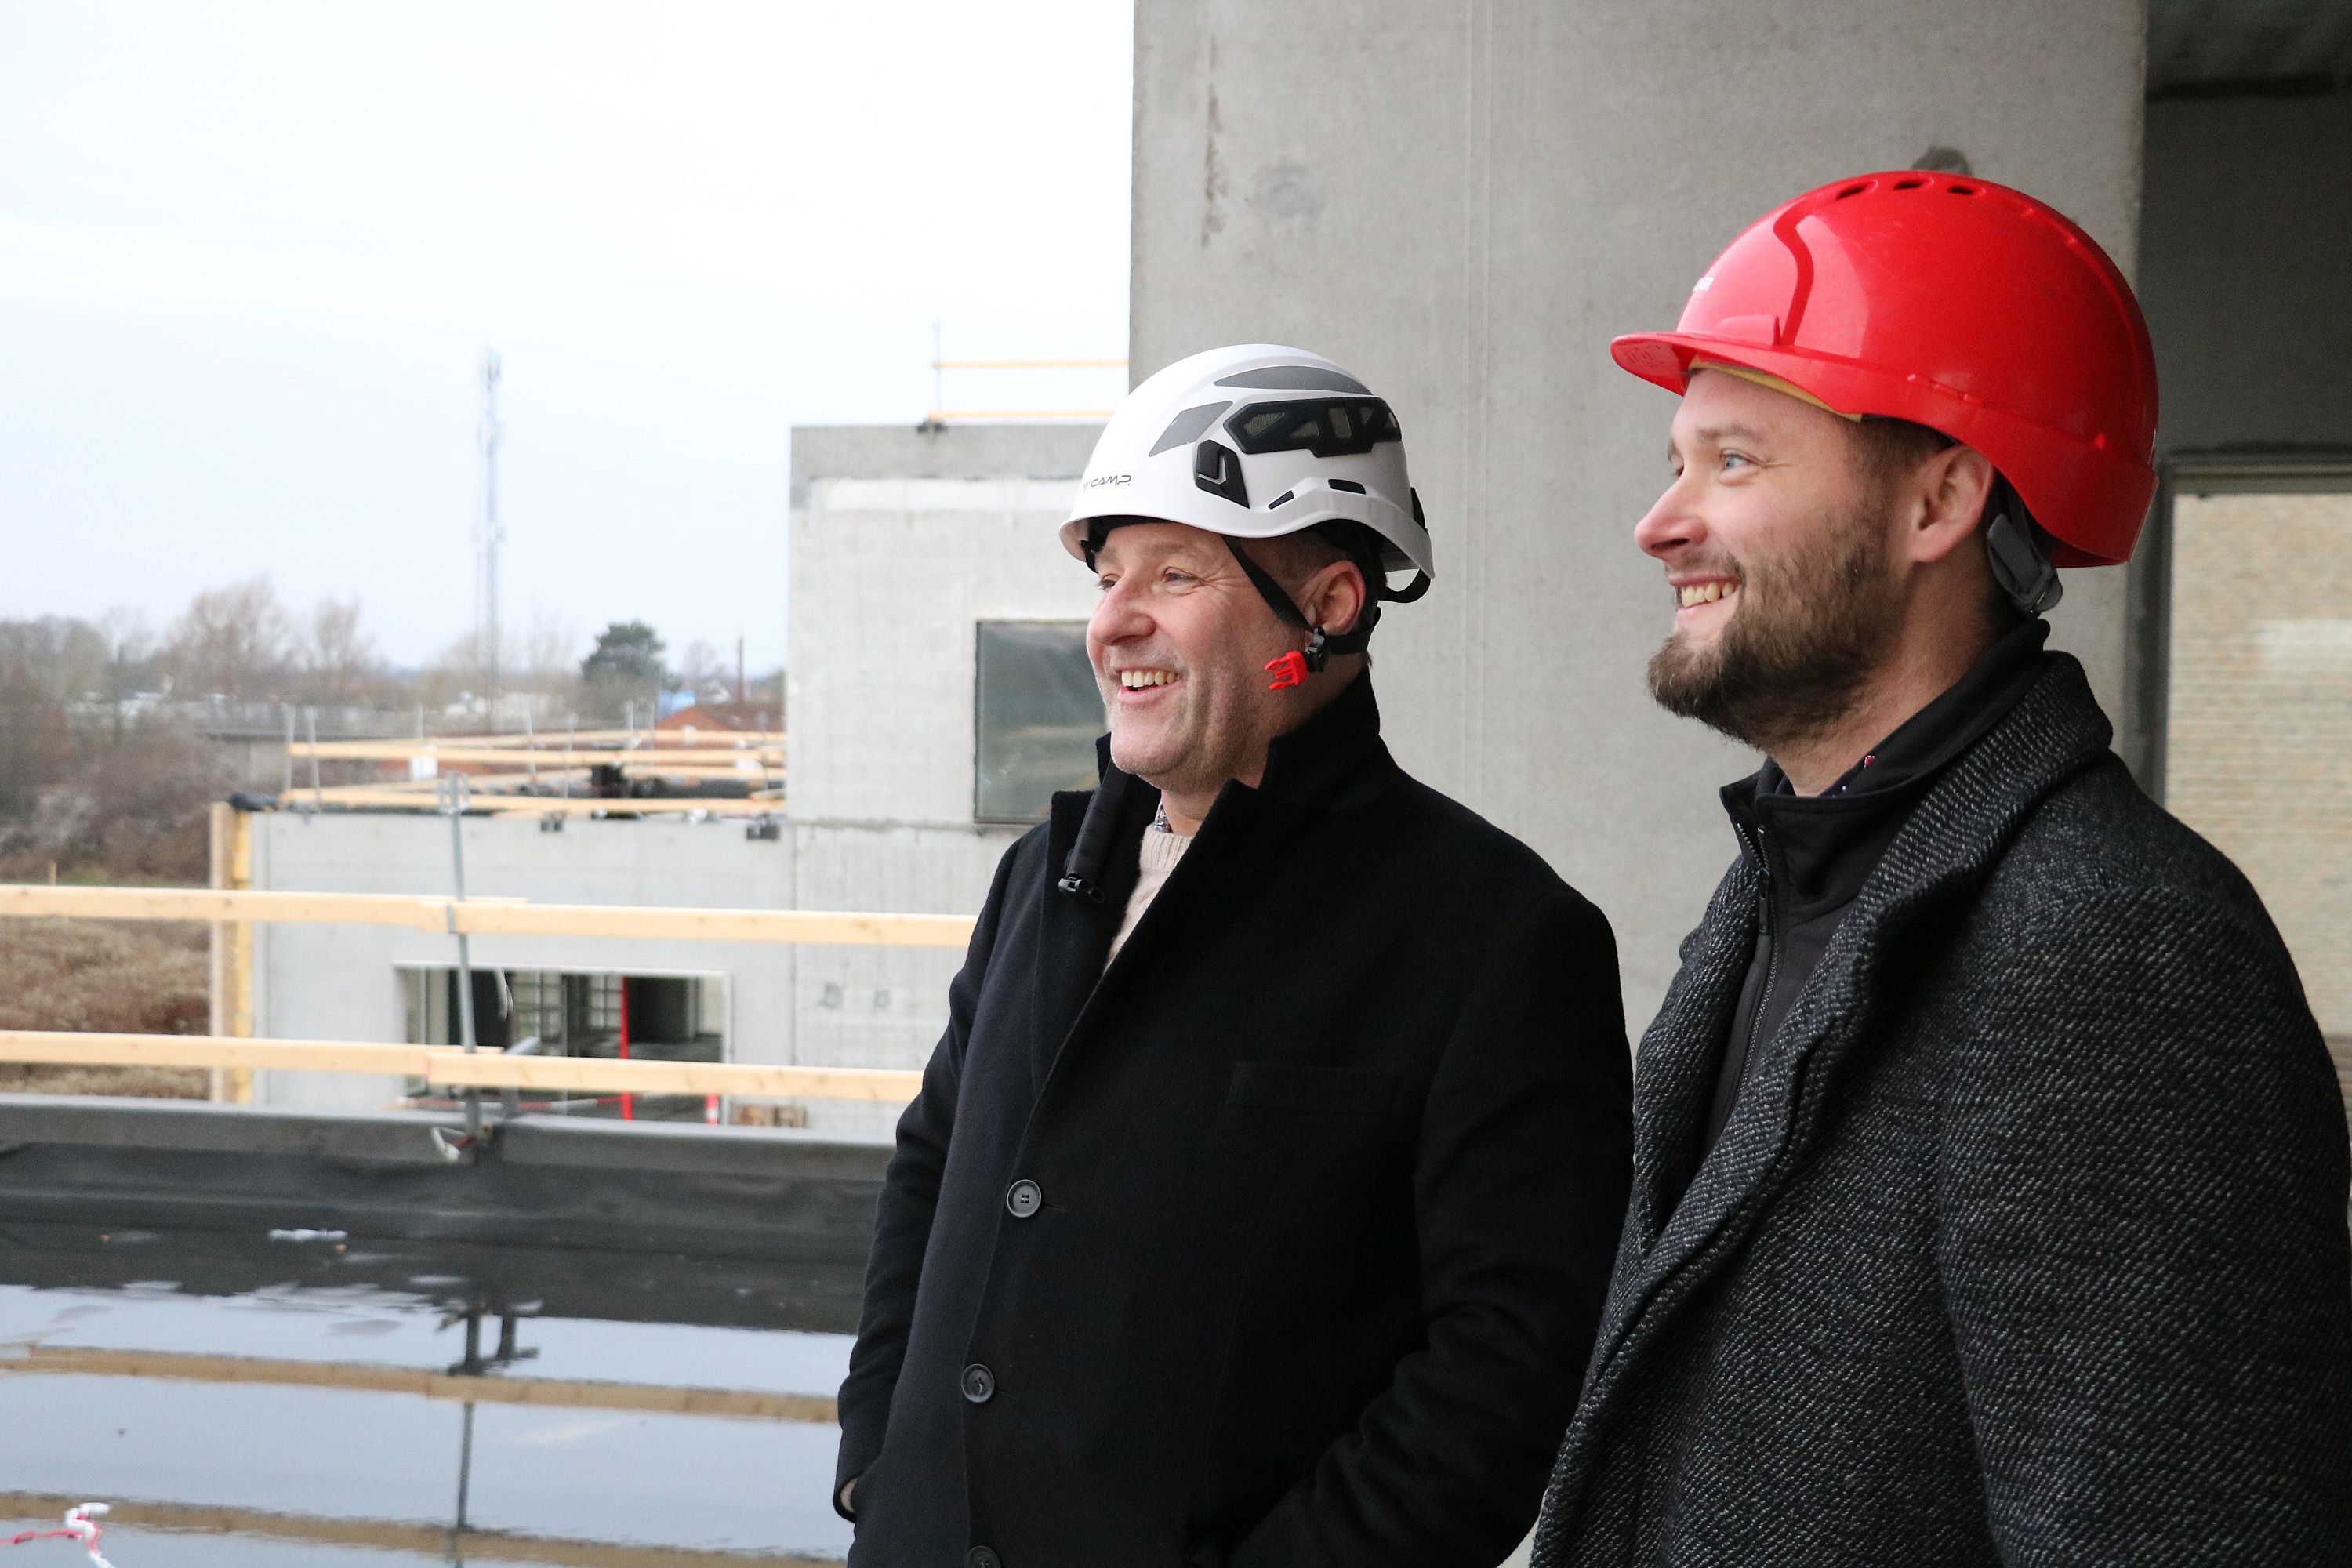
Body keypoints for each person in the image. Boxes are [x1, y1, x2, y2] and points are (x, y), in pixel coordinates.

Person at [1532, 172, 2352, 1565]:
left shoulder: (2113, 950)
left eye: (1732, 462)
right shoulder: (1787, 886)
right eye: (1679, 462)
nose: (1660, 523)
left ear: (1939, 501)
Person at [836, 343, 1633, 1567]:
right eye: (1109, 576)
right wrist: (877, 1464)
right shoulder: (1040, 885)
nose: (1115, 624)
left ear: (1328, 604)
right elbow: (935, 1169)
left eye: (1177, 571)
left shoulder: (1496, 940)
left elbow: (1508, 1370)